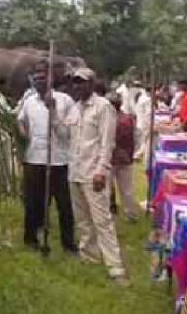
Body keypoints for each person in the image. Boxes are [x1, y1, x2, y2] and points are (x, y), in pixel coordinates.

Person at [66, 68, 130, 287]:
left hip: (94, 172)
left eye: (81, 82)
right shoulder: (74, 109)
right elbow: (66, 136)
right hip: (74, 171)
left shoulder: (103, 107)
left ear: (92, 84)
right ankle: (89, 256)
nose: (77, 86)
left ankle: (115, 267)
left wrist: (102, 170)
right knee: (82, 219)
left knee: (102, 220)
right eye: (74, 83)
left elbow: (107, 142)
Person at [17, 60, 76, 253]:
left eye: (43, 77)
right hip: (34, 159)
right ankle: (31, 239)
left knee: (64, 205)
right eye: (36, 78)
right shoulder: (28, 102)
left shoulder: (65, 101)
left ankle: (68, 244)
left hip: (59, 160)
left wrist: (53, 110)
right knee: (33, 203)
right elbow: (20, 120)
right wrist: (23, 132)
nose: (39, 81)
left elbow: (66, 135)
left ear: (51, 77)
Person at [106, 93, 140, 222]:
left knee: (106, 190)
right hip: (126, 158)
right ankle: (131, 214)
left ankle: (108, 215)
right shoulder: (129, 118)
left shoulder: (108, 120)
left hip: (110, 158)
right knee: (127, 190)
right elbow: (136, 137)